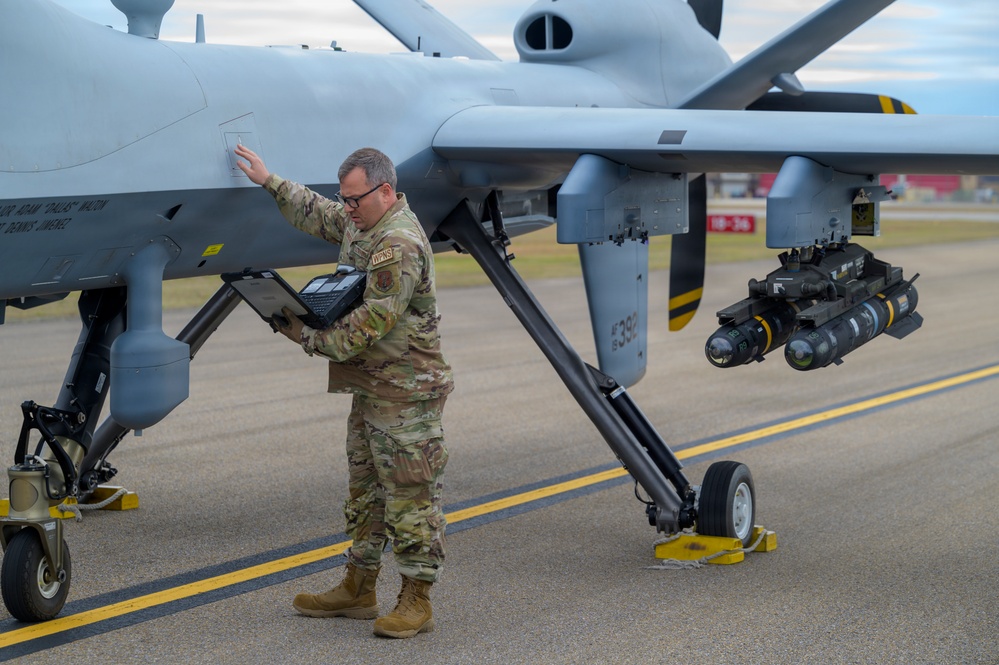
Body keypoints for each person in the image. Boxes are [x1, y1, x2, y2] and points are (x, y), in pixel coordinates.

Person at [234, 144, 453, 639]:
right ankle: (359, 587)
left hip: (405, 392)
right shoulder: (362, 222)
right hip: (371, 385)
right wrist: (271, 181)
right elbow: (318, 212)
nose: (347, 207)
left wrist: (305, 335)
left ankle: (417, 600)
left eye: (355, 199)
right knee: (365, 493)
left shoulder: (399, 244)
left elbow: (372, 322)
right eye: (346, 198)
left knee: (411, 498)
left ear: (386, 191)